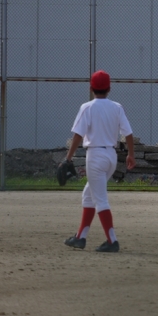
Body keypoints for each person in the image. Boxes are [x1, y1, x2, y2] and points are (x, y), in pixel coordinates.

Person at [63, 70, 136, 252]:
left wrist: (68, 158)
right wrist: (131, 154)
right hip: (111, 156)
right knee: (89, 195)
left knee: (100, 200)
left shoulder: (87, 107)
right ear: (109, 88)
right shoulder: (116, 107)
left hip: (95, 156)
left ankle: (112, 241)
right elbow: (128, 133)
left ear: (91, 88)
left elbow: (78, 135)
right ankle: (80, 237)